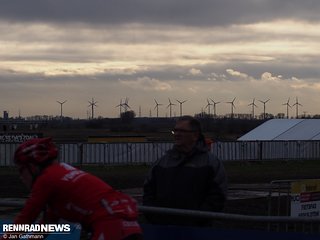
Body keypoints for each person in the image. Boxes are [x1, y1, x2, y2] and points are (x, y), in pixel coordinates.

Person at [5, 137, 142, 240]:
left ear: (32, 167)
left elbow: (26, 219)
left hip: (108, 225)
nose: (21, 177)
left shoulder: (46, 179)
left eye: (21, 170)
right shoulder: (61, 172)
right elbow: (48, 223)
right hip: (128, 224)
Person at [143, 115, 227, 226]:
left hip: (197, 230)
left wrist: (198, 219)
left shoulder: (211, 163)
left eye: (182, 131)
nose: (177, 134)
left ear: (195, 135)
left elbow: (217, 196)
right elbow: (148, 191)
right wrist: (154, 216)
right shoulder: (161, 163)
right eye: (175, 131)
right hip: (163, 227)